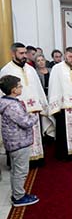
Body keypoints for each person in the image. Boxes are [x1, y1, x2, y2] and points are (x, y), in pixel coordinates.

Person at [1, 42, 54, 167]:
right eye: (21, 53)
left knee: (35, 138)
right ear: (13, 53)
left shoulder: (30, 70)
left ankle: (37, 160)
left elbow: (38, 89)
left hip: (33, 110)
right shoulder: (6, 70)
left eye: (25, 53)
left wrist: (43, 106)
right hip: (15, 114)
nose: (24, 55)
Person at [0, 75, 40, 207]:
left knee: (16, 170)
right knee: (21, 171)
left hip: (13, 142)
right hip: (19, 143)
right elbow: (25, 122)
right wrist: (35, 117)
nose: (21, 88)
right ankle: (19, 197)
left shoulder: (6, 102)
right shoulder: (13, 106)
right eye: (19, 86)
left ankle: (17, 193)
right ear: (13, 90)